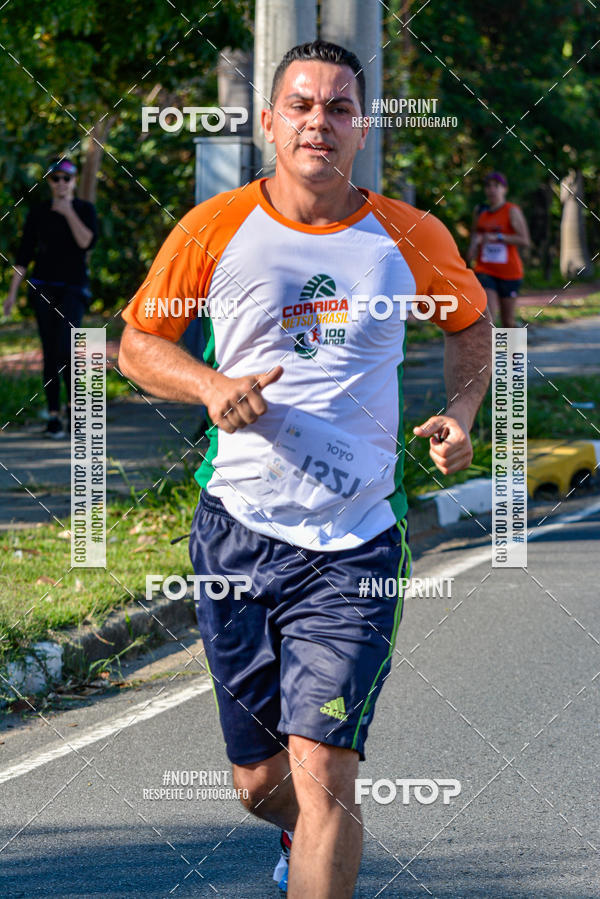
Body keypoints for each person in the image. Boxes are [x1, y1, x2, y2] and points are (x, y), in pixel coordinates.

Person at [118, 40, 491, 898]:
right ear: (268, 122)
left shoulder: (410, 234)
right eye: (301, 105)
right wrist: (210, 386)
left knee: (325, 771)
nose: (318, 121)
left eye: (337, 108)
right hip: (236, 532)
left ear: (361, 128)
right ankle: (293, 829)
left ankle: (319, 831)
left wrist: (462, 414)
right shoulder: (214, 228)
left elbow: (469, 326)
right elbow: (139, 343)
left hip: (355, 541)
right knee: (260, 781)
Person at [3, 158, 98, 437]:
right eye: (55, 178)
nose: (60, 183)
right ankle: (54, 415)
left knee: (67, 348)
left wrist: (68, 212)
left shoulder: (84, 210)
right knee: (49, 351)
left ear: (74, 181)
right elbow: (22, 258)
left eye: (65, 178)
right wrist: (11, 296)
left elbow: (86, 242)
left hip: (74, 288)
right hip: (42, 287)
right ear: (49, 182)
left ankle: (75, 409)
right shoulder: (38, 213)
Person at [467, 171, 531, 328]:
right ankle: (489, 353)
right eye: (488, 186)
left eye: (496, 186)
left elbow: (525, 240)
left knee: (508, 321)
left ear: (504, 189)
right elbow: (475, 236)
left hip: (510, 272)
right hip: (485, 270)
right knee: (488, 317)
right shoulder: (480, 211)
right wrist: (473, 247)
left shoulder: (511, 210)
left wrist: (499, 237)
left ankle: (512, 353)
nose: (491, 189)